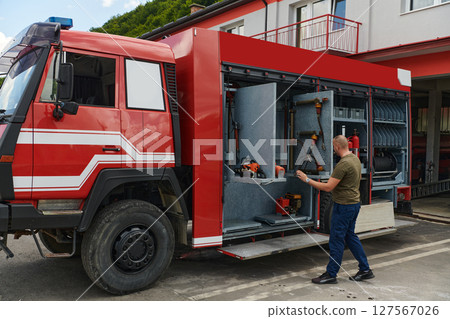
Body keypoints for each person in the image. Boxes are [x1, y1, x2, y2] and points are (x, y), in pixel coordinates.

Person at [296, 135, 374, 284]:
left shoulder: (343, 164)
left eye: (333, 147)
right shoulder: (354, 159)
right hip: (354, 204)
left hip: (344, 206)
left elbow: (328, 187)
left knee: (336, 240)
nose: (333, 149)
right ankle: (365, 269)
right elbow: (339, 182)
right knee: (350, 236)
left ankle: (331, 274)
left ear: (337, 147)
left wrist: (306, 179)